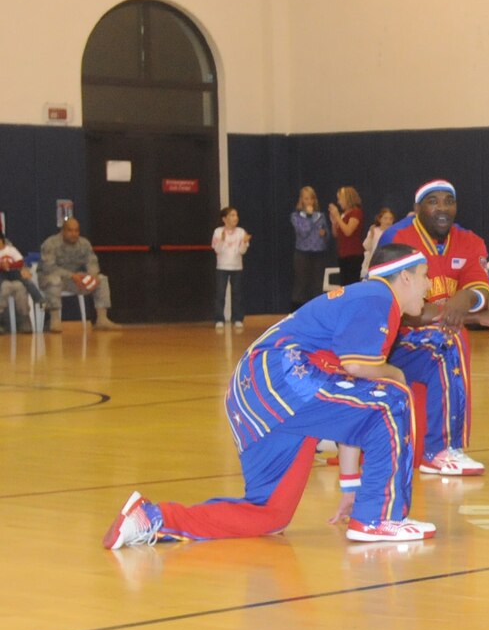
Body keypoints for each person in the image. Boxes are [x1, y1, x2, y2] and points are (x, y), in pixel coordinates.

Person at [102, 246, 437, 548]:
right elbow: (358, 369)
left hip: (251, 394)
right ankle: (379, 519)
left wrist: (351, 489)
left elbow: (354, 411)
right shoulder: (378, 296)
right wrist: (398, 375)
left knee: (269, 514)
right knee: (393, 397)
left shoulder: (362, 298)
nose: (429, 286)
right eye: (424, 276)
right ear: (404, 277)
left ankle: (151, 518)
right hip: (283, 375)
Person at [384, 179, 489, 476]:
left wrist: (467, 297)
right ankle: (439, 451)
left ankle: (446, 448)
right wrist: (475, 316)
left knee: (447, 338)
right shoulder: (397, 239)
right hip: (391, 341)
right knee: (446, 341)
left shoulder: (469, 241)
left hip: (434, 333)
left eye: (448, 201)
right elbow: (403, 312)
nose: (442, 208)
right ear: (417, 209)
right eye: (433, 201)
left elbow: (481, 289)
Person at [38, 218, 119, 330]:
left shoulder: (84, 243)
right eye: (70, 231)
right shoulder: (50, 243)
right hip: (49, 278)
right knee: (54, 280)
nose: (74, 234)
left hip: (74, 280)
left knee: (102, 279)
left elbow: (92, 261)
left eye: (76, 231)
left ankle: (102, 319)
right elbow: (48, 267)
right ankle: (55, 320)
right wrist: (71, 275)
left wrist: (93, 276)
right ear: (63, 231)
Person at [290, 185, 332, 304]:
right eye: (306, 198)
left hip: (319, 253)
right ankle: (298, 314)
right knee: (301, 285)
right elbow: (303, 232)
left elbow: (327, 236)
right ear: (301, 200)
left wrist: (324, 234)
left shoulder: (321, 216)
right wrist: (310, 217)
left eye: (311, 198)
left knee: (317, 286)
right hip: (302, 254)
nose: (309, 201)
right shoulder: (296, 216)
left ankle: (317, 313)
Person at [212, 206, 251, 330]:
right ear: (224, 219)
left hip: (237, 267)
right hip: (222, 267)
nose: (235, 218)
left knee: (237, 293)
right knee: (220, 293)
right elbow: (217, 250)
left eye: (236, 215)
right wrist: (222, 240)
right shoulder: (218, 231)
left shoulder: (241, 231)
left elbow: (242, 251)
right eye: (232, 215)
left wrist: (244, 242)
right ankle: (219, 319)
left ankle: (238, 318)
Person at [0, 232, 40, 333]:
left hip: (13, 276)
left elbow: (19, 262)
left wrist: (23, 270)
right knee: (5, 287)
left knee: (20, 287)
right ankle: (2, 322)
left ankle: (24, 319)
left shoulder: (9, 248)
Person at [331, 185, 366, 284]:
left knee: (351, 283)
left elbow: (348, 231)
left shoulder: (356, 212)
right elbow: (336, 234)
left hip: (353, 254)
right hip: (343, 254)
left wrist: (337, 217)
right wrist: (334, 222)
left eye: (340, 199)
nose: (338, 202)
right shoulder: (344, 214)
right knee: (344, 283)